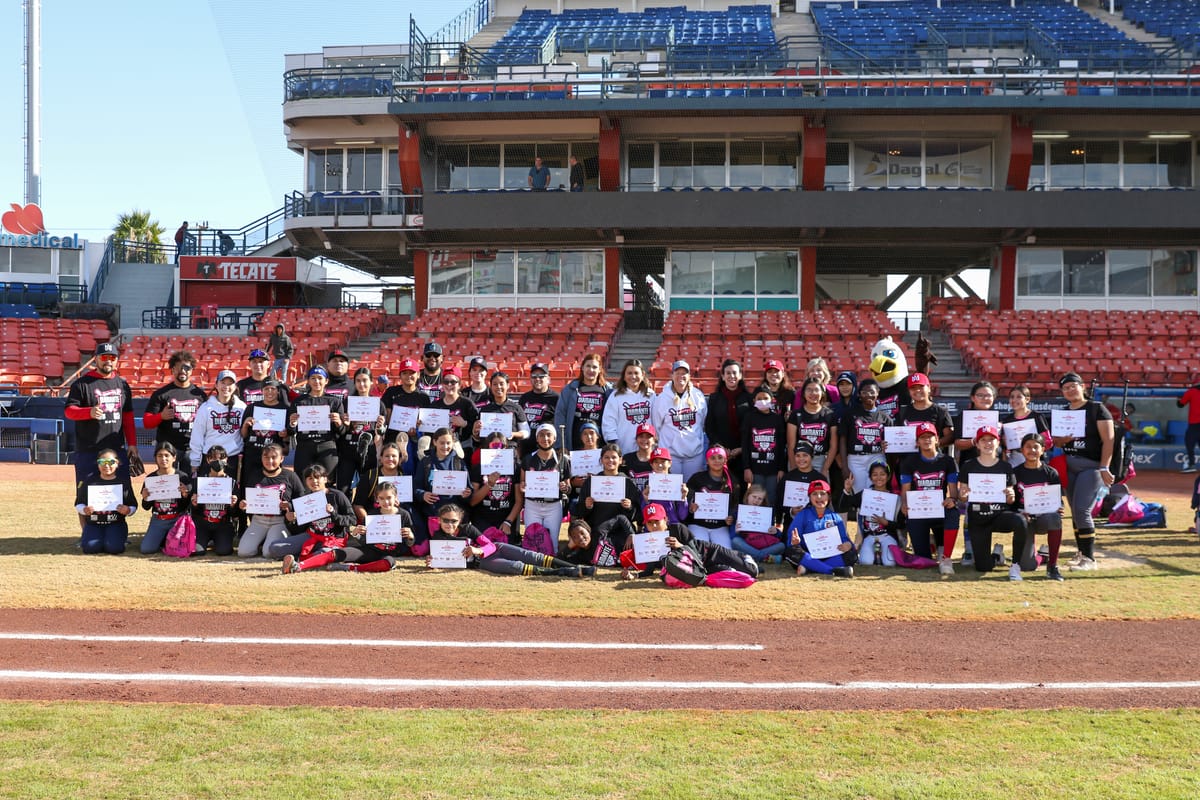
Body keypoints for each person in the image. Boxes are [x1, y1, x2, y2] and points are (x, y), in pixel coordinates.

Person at [1051, 371, 1114, 572]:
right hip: (1068, 463)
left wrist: (1104, 466)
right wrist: (1063, 440)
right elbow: (1056, 441)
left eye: (1073, 386)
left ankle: (1089, 558)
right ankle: (1081, 552)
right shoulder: (1063, 411)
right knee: (1076, 511)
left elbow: (1109, 440)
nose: (1070, 390)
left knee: (1082, 510)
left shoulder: (1096, 409)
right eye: (1065, 388)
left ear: (1082, 386)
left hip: (1091, 465)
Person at [426, 502, 593, 577]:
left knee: (532, 556)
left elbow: (489, 545)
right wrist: (432, 560)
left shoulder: (467, 529)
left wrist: (478, 550)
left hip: (494, 550)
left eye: (453, 521)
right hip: (482, 563)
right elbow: (441, 557)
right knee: (516, 567)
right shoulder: (438, 537)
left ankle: (577, 568)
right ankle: (563, 572)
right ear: (439, 520)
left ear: (460, 521)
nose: (449, 524)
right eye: (445, 520)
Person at [64, 343, 141, 500]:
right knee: (85, 497)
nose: (108, 361)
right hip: (88, 450)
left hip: (115, 449)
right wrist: (89, 412)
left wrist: (132, 444)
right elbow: (69, 411)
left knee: (119, 494)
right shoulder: (81, 384)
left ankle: (116, 525)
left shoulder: (123, 385)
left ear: (117, 361)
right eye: (104, 357)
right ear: (96, 360)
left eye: (112, 357)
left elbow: (127, 417)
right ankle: (87, 526)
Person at [283, 481, 413, 574]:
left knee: (388, 563)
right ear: (376, 499)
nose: (386, 502)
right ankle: (298, 566)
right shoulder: (373, 514)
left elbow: (409, 544)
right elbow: (365, 541)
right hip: (369, 551)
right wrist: (357, 534)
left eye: (389, 498)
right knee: (336, 553)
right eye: (382, 498)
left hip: (388, 555)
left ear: (396, 497)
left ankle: (350, 568)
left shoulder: (404, 515)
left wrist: (410, 536)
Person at [959, 425, 1034, 580]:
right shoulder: (968, 466)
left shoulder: (1005, 467)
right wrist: (963, 495)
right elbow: (963, 497)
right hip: (978, 518)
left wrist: (1010, 494)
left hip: (999, 516)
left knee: (1020, 521)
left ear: (998, 443)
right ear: (977, 444)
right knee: (983, 567)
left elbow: (1010, 498)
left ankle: (1015, 565)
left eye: (991, 439)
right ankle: (996, 556)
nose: (988, 443)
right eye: (983, 440)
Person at [899, 421, 960, 575]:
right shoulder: (909, 462)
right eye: (922, 437)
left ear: (937, 439)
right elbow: (905, 490)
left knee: (953, 512)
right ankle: (932, 544)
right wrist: (904, 505)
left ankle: (946, 557)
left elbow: (953, 492)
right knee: (924, 559)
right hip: (919, 511)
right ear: (917, 442)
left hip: (939, 509)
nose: (926, 440)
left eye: (930, 436)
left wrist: (952, 500)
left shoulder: (948, 461)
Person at [273, 464, 356, 562]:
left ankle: (301, 558)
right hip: (312, 536)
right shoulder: (305, 500)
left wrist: (333, 514)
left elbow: (352, 519)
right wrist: (291, 521)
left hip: (333, 538)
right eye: (310, 478)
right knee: (274, 548)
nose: (314, 481)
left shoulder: (337, 495)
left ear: (325, 479)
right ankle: (309, 554)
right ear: (306, 481)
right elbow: (298, 529)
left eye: (317, 477)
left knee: (324, 552)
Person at [142, 350, 206, 475]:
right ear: (172, 370)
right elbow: (146, 422)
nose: (182, 371)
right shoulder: (161, 394)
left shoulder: (200, 395)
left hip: (191, 449)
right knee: (168, 487)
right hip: (168, 451)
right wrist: (161, 416)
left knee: (189, 487)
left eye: (186, 367)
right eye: (178, 367)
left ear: (191, 370)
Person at [237, 443, 306, 558]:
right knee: (244, 552)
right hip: (259, 520)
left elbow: (301, 499)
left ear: (281, 458)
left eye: (274, 457)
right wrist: (244, 505)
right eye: (266, 457)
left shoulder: (290, 476)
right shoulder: (254, 475)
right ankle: (261, 542)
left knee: (269, 553)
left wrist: (289, 505)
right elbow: (248, 500)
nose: (270, 461)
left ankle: (269, 542)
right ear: (261, 458)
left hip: (280, 521)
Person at [1013, 432, 1065, 581]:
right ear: (1022, 450)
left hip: (1044, 518)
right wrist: (1020, 513)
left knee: (1055, 518)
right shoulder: (1015, 473)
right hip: (1025, 520)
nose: (1032, 450)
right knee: (1027, 566)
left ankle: (1053, 566)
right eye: (1028, 447)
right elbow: (1013, 503)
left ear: (1043, 450)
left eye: (1036, 447)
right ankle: (1042, 556)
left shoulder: (1051, 473)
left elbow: (1058, 499)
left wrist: (1059, 507)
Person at [578, 442, 643, 560]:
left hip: (620, 530)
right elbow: (579, 511)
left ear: (620, 460)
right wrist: (587, 506)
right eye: (606, 457)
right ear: (601, 460)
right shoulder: (592, 482)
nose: (610, 460)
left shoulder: (628, 483)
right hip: (597, 529)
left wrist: (629, 507)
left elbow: (637, 514)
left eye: (614, 457)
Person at [415, 427, 476, 548]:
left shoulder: (459, 463)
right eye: (442, 443)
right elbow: (416, 487)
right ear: (434, 442)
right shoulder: (426, 462)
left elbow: (469, 490)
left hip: (454, 516)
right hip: (432, 513)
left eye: (448, 443)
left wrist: (467, 494)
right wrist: (423, 495)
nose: (445, 446)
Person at [783, 480, 857, 577]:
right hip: (809, 555)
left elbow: (844, 539)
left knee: (852, 553)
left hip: (831, 555)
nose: (819, 497)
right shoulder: (802, 515)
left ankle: (810, 569)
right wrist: (795, 542)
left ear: (829, 497)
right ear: (809, 497)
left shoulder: (835, 517)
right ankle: (832, 570)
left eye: (822, 493)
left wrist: (848, 544)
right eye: (814, 494)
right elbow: (791, 541)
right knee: (791, 551)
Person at [652, 359, 708, 478]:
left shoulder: (698, 396)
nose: (681, 376)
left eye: (684, 373)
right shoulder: (662, 398)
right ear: (672, 375)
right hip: (670, 454)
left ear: (689, 376)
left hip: (694, 453)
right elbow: (657, 425)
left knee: (691, 489)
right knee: (671, 489)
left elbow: (703, 421)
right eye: (677, 373)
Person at [288, 366, 347, 478]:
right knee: (303, 483)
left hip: (327, 445)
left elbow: (342, 432)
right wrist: (292, 423)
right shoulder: (298, 402)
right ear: (308, 380)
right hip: (304, 446)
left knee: (327, 483)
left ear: (326, 381)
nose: (317, 381)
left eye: (320, 378)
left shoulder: (335, 402)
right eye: (313, 378)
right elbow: (290, 431)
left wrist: (338, 422)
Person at [75, 448, 137, 555]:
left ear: (117, 463)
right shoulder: (89, 481)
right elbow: (78, 503)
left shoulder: (123, 482)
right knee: (90, 548)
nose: (106, 465)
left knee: (114, 548)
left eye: (111, 462)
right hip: (94, 523)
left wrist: (128, 510)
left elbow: (133, 504)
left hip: (116, 523)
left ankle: (116, 539)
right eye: (102, 462)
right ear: (98, 464)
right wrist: (84, 510)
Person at [334, 367, 386, 494]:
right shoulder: (346, 402)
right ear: (354, 383)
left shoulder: (378, 404)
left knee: (367, 489)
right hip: (348, 449)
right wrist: (345, 424)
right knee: (343, 489)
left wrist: (380, 427)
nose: (361, 384)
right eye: (358, 381)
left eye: (365, 380)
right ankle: (345, 513)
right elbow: (341, 430)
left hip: (369, 450)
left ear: (371, 382)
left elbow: (382, 432)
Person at [189, 369, 247, 479]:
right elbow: (197, 436)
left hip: (233, 459)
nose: (226, 386)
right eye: (223, 383)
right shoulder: (206, 408)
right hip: (211, 459)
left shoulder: (242, 408)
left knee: (232, 495)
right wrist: (195, 461)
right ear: (216, 385)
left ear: (235, 387)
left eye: (230, 383)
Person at [838, 378, 890, 501]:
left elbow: (891, 444)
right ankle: (862, 520)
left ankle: (876, 520)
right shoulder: (850, 414)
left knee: (877, 492)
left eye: (872, 392)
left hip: (876, 456)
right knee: (859, 496)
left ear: (877, 392)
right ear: (859, 394)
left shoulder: (886, 418)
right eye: (865, 392)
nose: (869, 395)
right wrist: (844, 466)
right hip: (855, 459)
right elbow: (843, 440)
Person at [138, 442, 192, 555]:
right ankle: (163, 539)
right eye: (160, 456)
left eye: (167, 455)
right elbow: (146, 507)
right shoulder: (151, 478)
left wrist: (185, 495)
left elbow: (188, 506)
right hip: (158, 519)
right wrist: (145, 498)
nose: (163, 459)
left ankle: (166, 539)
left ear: (174, 458)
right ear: (155, 458)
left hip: (177, 520)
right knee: (147, 549)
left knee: (178, 548)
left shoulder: (183, 477)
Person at [521, 423, 571, 542]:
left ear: (554, 438)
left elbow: (569, 488)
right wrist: (523, 487)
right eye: (541, 435)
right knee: (532, 543)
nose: (545, 438)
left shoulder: (562, 459)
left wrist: (564, 487)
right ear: (537, 438)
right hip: (532, 505)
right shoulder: (528, 459)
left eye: (549, 435)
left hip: (553, 506)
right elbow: (522, 483)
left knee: (552, 542)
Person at [239, 378, 291, 490]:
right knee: (249, 486)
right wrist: (245, 425)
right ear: (262, 391)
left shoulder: (285, 409)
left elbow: (287, 438)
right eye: (266, 389)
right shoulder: (252, 407)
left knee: (270, 486)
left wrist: (285, 434)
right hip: (252, 453)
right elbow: (243, 435)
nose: (269, 392)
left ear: (278, 391)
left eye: (272, 389)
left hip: (272, 456)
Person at [554, 353, 613, 450]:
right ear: (582, 368)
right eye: (588, 366)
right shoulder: (570, 390)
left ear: (599, 370)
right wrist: (561, 444)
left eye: (594, 367)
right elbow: (560, 416)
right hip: (574, 440)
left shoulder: (608, 391)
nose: (591, 370)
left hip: (599, 442)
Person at [468, 432, 523, 536]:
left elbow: (519, 501)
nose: (497, 449)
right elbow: (472, 501)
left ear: (506, 447)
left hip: (506, 518)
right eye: (494, 445)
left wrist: (508, 522)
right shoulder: (478, 468)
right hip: (482, 518)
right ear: (487, 447)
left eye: (501, 446)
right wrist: (488, 485)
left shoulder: (515, 468)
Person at [685, 445, 738, 548]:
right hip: (698, 524)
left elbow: (734, 505)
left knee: (725, 553)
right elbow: (686, 500)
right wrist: (691, 507)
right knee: (699, 551)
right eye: (712, 458)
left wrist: (731, 517)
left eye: (720, 457)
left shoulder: (732, 481)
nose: (716, 461)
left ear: (725, 460)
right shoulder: (697, 478)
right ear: (707, 461)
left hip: (720, 526)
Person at [191, 444, 240, 556]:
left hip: (223, 524)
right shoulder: (199, 481)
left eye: (221, 458)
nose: (218, 461)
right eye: (213, 458)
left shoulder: (232, 483)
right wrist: (194, 504)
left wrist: (233, 505)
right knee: (197, 551)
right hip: (203, 524)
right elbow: (194, 511)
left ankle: (217, 540)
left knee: (223, 551)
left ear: (226, 459)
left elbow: (236, 513)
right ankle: (207, 540)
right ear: (208, 460)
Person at [741, 387, 787, 505]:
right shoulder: (749, 417)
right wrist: (746, 467)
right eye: (759, 398)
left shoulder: (777, 419)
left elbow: (782, 445)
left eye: (765, 398)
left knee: (771, 497)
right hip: (755, 469)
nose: (762, 401)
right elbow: (745, 444)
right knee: (756, 498)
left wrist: (781, 468)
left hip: (773, 469)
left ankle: (771, 522)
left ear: (772, 400)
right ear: (754, 401)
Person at [787, 377, 839, 477]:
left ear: (822, 393)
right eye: (809, 390)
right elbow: (791, 445)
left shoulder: (829, 415)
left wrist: (825, 469)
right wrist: (794, 469)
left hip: (820, 461)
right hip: (799, 460)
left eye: (816, 390)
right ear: (803, 393)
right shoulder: (796, 414)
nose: (812, 393)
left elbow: (833, 446)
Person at [852, 461, 901, 567]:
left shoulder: (895, 498)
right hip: (870, 536)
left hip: (887, 535)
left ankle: (881, 554)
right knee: (866, 562)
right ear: (870, 477)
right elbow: (845, 504)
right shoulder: (865, 494)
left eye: (882, 474)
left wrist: (887, 523)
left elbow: (901, 524)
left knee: (890, 563)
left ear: (888, 477)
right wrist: (846, 490)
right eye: (875, 474)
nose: (879, 477)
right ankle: (873, 554)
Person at [705, 359, 752, 468]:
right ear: (723, 376)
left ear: (740, 375)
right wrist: (720, 446)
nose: (732, 376)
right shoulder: (714, 398)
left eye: (735, 373)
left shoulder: (749, 398)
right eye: (728, 373)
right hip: (719, 453)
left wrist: (741, 448)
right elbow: (709, 426)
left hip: (743, 452)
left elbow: (752, 426)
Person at [602, 359, 655, 456]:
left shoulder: (651, 395)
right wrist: (614, 445)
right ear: (624, 376)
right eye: (629, 373)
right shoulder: (615, 396)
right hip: (624, 449)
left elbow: (657, 421)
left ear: (642, 375)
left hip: (647, 452)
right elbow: (609, 422)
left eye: (636, 373)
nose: (633, 376)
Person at [352, 439, 410, 523]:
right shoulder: (370, 475)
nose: (390, 459)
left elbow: (408, 508)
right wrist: (369, 523)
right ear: (381, 458)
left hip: (398, 523)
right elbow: (357, 505)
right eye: (387, 456)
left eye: (394, 456)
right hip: (374, 523)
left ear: (400, 459)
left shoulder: (404, 477)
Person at [471, 371, 529, 450]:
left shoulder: (516, 407)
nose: (498, 387)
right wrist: (475, 433)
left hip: (509, 449)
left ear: (508, 385)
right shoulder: (485, 409)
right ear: (491, 387)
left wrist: (513, 434)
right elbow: (478, 438)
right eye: (495, 384)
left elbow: (526, 432)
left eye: (501, 383)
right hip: (488, 452)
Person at [731, 483, 785, 564]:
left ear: (763, 500)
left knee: (781, 546)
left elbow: (776, 535)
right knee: (736, 541)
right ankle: (764, 557)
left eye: (760, 499)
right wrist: (736, 531)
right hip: (747, 544)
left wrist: (776, 531)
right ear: (747, 495)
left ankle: (753, 556)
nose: (756, 500)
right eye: (754, 497)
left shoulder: (766, 512)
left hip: (763, 544)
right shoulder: (739, 510)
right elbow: (732, 536)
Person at [517, 362, 559, 459]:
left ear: (548, 379)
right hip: (526, 448)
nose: (537, 379)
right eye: (534, 376)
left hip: (546, 448)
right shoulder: (524, 398)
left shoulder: (556, 398)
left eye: (541, 376)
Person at [1001, 384, 1049, 467]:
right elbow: (1005, 448)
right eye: (1012, 397)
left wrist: (1035, 447)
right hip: (1015, 459)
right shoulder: (1007, 420)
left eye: (1019, 397)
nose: (1014, 400)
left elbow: (1048, 441)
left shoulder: (1037, 416)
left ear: (1027, 399)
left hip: (1035, 458)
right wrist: (1005, 442)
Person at [642, 446, 689, 525]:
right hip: (654, 527)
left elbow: (682, 516)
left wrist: (683, 498)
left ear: (670, 463)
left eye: (663, 461)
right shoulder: (648, 484)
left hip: (673, 525)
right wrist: (646, 500)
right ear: (651, 465)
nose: (659, 465)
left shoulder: (677, 483)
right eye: (656, 462)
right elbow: (644, 514)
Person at [621, 423, 658, 495]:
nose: (644, 440)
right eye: (641, 436)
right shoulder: (627, 458)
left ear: (654, 440)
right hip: (631, 501)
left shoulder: (659, 459)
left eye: (648, 437)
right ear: (636, 439)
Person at [1178, 378, 1200, 472]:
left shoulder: (1191, 391)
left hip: (1194, 424)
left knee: (1190, 443)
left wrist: (1179, 399)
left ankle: (1191, 464)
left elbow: (1180, 404)